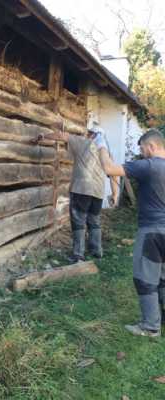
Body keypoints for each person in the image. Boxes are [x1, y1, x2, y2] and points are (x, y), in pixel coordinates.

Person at [95, 128, 165, 337]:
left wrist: (101, 145)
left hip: (152, 230)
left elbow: (109, 168)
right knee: (162, 277)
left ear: (151, 147)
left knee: (145, 278)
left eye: (143, 148)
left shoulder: (150, 165)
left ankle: (150, 326)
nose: (142, 153)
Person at [57, 126, 119, 263]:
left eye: (88, 133)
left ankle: (78, 255)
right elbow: (115, 175)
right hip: (97, 192)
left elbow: (61, 136)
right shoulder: (106, 152)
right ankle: (96, 251)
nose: (86, 134)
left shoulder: (83, 142)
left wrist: (42, 136)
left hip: (81, 189)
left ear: (92, 135)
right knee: (94, 221)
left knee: (78, 221)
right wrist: (115, 194)